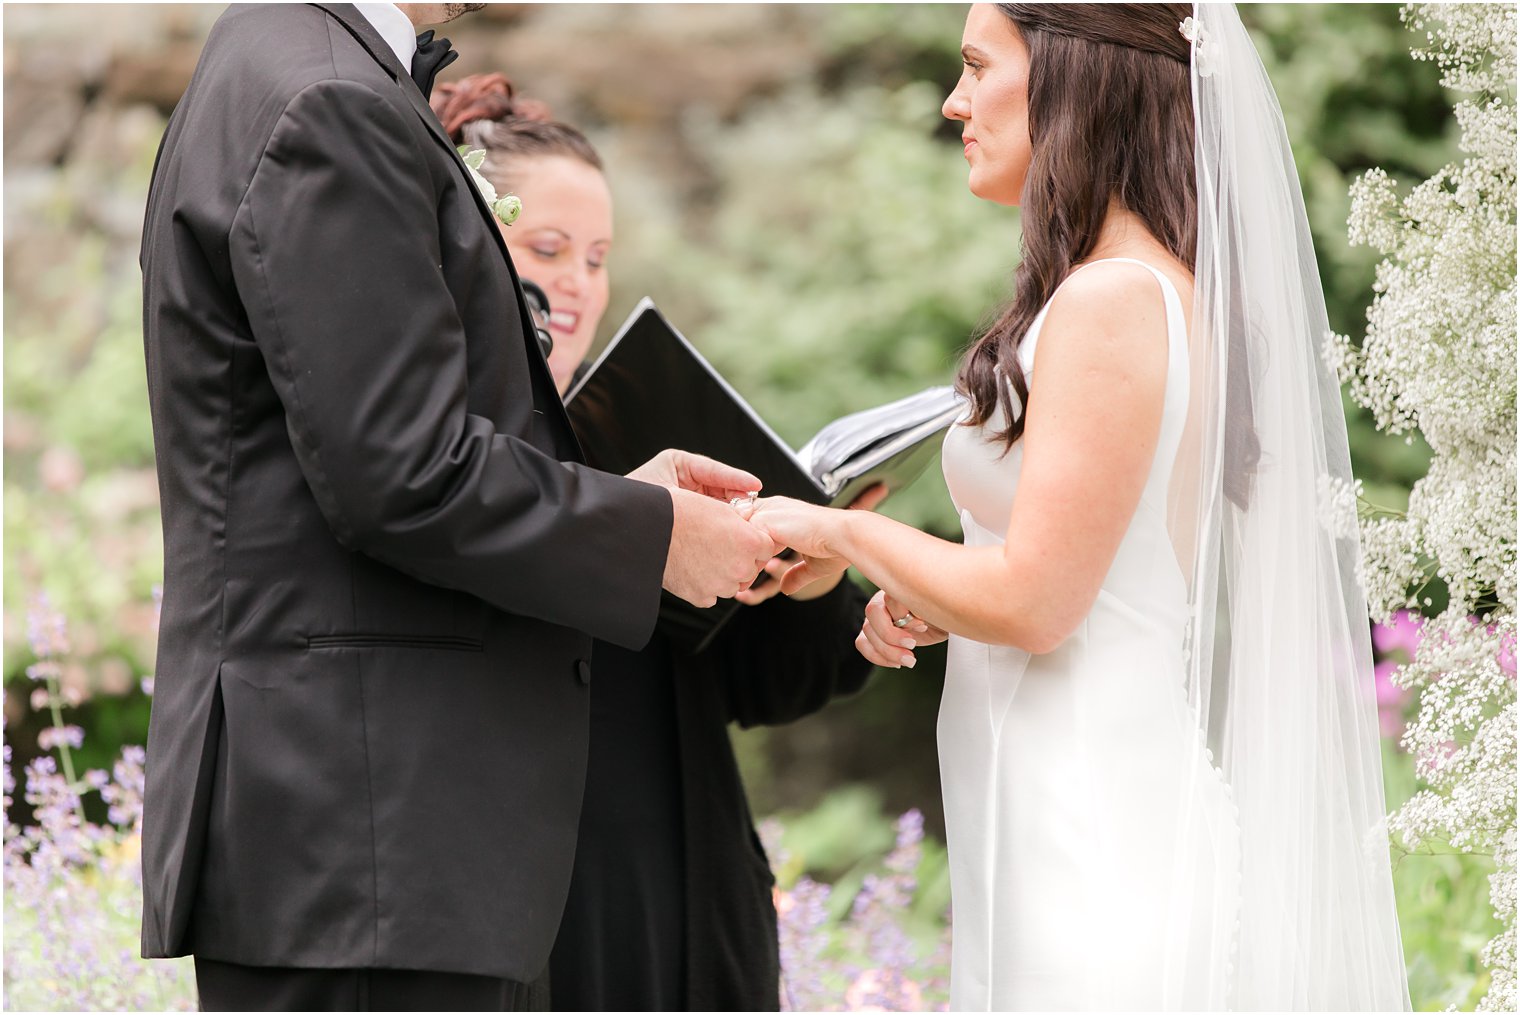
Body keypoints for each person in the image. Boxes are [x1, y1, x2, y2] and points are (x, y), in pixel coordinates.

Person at [751, 4, 1409, 1010]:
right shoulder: (1127, 288)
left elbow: (1038, 604)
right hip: (1058, 811)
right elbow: (1079, 576)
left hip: (1092, 833)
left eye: (976, 67)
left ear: (1072, 76)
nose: (953, 101)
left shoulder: (1112, 300)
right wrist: (927, 589)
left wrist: (843, 530)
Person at [138, 3, 780, 1010]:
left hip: (371, 848)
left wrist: (626, 500)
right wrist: (653, 538)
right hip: (372, 846)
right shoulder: (327, 98)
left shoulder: (294, 66)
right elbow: (402, 469)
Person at [430, 73, 880, 1011]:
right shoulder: (429, 452)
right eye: (547, 249)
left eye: (597, 258)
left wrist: (809, 573)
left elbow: (766, 684)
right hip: (519, 890)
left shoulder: (649, 417)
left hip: (681, 878)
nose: (577, 284)